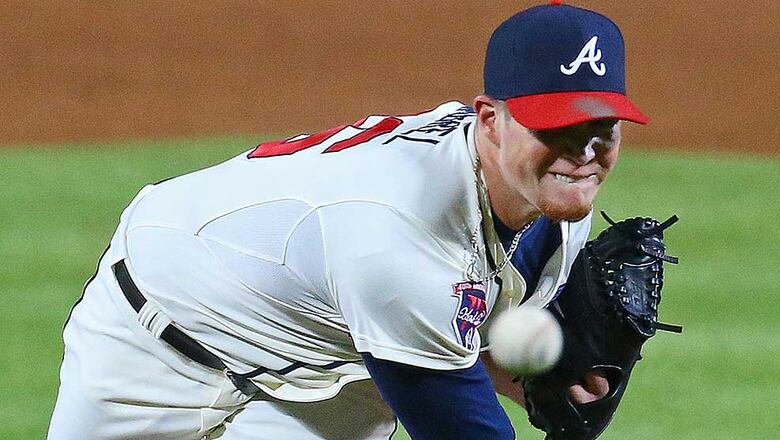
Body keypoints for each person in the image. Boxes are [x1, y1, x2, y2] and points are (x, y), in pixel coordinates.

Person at [48, 2, 649, 439]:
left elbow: (459, 322)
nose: (585, 153)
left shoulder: (553, 206)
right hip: (157, 332)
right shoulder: (396, 235)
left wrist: (548, 380)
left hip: (336, 362)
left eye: (602, 129)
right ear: (489, 119)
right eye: (557, 129)